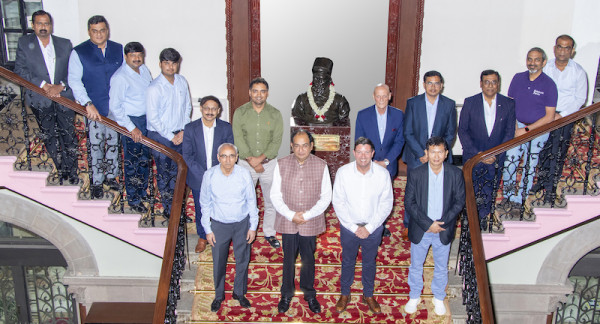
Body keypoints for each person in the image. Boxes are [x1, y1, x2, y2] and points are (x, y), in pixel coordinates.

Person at [270, 129, 332, 314]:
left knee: (308, 259)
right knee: (288, 259)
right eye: (297, 145)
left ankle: (309, 293)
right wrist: (291, 215)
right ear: (291, 146)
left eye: (305, 145)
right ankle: (286, 293)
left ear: (312, 147)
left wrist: (307, 215)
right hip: (288, 220)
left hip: (310, 221)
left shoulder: (321, 165)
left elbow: (326, 196)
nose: (301, 149)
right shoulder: (281, 164)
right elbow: (275, 195)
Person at [14, 10, 79, 185]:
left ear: (51, 25)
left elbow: (74, 72)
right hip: (40, 98)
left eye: (46, 23)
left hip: (63, 96)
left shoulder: (65, 44)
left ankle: (72, 171)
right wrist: (44, 85)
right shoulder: (24, 43)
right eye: (39, 24)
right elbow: (20, 71)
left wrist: (61, 85)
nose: (43, 27)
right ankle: (60, 169)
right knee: (50, 135)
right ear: (33, 25)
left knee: (69, 134)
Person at [404, 136, 465, 316]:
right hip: (421, 229)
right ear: (426, 153)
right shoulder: (416, 173)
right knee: (416, 265)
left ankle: (438, 297)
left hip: (443, 229)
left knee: (440, 265)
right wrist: (428, 224)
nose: (436, 156)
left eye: (440, 152)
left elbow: (459, 201)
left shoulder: (455, 174)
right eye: (432, 152)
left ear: (446, 154)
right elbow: (409, 202)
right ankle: (414, 295)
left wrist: (440, 224)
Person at [332, 137, 393, 314]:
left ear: (373, 153)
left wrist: (370, 227)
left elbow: (386, 203)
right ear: (354, 153)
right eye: (359, 151)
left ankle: (368, 294)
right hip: (349, 227)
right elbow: (338, 202)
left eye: (367, 152)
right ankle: (345, 293)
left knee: (369, 262)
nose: (363, 156)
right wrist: (353, 227)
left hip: (373, 229)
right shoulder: (343, 172)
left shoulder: (382, 174)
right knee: (348, 260)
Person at [69, 15, 123, 199]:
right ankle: (97, 181)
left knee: (113, 143)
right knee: (96, 144)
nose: (99, 34)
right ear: (89, 32)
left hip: (115, 107)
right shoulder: (79, 52)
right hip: (94, 107)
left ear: (107, 30)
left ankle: (110, 176)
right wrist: (87, 104)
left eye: (102, 30)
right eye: (95, 31)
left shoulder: (118, 49)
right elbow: (75, 82)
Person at [200, 143, 258, 312]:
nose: (228, 160)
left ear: (237, 157)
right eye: (224, 156)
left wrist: (252, 227)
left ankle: (239, 293)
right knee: (219, 261)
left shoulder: (244, 174)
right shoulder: (209, 175)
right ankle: (218, 295)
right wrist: (208, 229)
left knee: (242, 260)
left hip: (241, 224)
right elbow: (205, 204)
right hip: (219, 225)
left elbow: (251, 201)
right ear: (218, 158)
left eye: (231, 156)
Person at [502, 48, 558, 207]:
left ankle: (520, 199)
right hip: (517, 126)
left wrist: (525, 131)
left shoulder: (549, 85)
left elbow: (550, 116)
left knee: (529, 165)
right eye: (530, 59)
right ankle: (508, 195)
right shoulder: (518, 78)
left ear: (544, 62)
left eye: (537, 59)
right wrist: (514, 129)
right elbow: (510, 105)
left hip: (538, 131)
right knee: (509, 163)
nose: (532, 63)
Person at [535, 35, 588, 203]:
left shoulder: (578, 72)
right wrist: (547, 114)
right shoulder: (545, 67)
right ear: (554, 48)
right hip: (544, 115)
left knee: (558, 151)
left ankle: (551, 187)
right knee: (542, 150)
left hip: (565, 117)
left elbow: (580, 99)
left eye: (567, 48)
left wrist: (561, 115)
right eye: (560, 47)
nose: (562, 51)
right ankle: (541, 181)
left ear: (572, 51)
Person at [402, 70, 457, 235]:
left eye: (436, 83)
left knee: (438, 189)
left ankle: (437, 221)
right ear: (424, 84)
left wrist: (436, 154)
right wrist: (422, 153)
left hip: (439, 157)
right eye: (430, 83)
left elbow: (450, 133)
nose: (433, 87)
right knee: (413, 191)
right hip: (416, 155)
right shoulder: (413, 103)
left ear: (441, 85)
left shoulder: (449, 104)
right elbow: (408, 132)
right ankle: (408, 224)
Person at [232, 77, 283, 248]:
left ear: (267, 93)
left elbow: (276, 142)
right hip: (246, 164)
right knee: (245, 200)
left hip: (269, 164)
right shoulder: (240, 112)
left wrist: (260, 160)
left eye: (262, 91)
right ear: (249, 93)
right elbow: (238, 139)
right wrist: (252, 162)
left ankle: (269, 232)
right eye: (255, 91)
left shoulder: (275, 114)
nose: (259, 95)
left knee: (271, 200)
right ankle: (245, 231)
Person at [458, 70, 516, 221]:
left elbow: (509, 133)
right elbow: (463, 131)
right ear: (481, 84)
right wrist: (479, 154)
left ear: (498, 84)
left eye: (494, 82)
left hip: (496, 157)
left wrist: (495, 154)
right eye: (487, 82)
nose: (490, 85)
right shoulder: (470, 102)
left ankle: (483, 219)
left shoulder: (508, 104)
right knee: (471, 189)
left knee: (490, 189)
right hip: (473, 156)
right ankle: (470, 219)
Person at [183, 96, 234, 253]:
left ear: (219, 111)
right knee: (201, 208)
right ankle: (202, 236)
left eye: (213, 109)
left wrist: (219, 173)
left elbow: (229, 151)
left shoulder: (225, 128)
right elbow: (188, 155)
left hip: (221, 175)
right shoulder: (191, 128)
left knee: (221, 206)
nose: (210, 112)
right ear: (201, 109)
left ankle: (221, 235)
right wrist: (204, 175)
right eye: (207, 108)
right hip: (199, 177)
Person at [146, 48, 192, 219]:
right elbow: (153, 118)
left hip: (180, 133)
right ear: (160, 64)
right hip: (160, 136)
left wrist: (183, 131)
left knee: (180, 174)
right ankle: (169, 211)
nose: (170, 67)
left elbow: (188, 107)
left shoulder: (181, 81)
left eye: (174, 63)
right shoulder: (154, 88)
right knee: (165, 175)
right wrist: (172, 136)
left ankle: (179, 210)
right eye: (167, 63)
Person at [355, 83, 405, 237]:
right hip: (367, 163)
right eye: (378, 96)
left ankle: (380, 226)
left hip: (388, 165)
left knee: (383, 197)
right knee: (368, 195)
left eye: (385, 95)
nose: (381, 99)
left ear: (390, 96)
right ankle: (366, 224)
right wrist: (369, 161)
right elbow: (360, 140)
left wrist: (387, 162)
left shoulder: (398, 115)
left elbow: (400, 141)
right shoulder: (363, 115)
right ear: (373, 96)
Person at [109, 42, 152, 213]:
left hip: (146, 119)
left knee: (145, 158)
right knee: (133, 161)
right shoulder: (120, 77)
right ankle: (134, 199)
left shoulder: (144, 70)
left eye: (139, 54)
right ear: (126, 57)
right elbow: (115, 107)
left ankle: (142, 191)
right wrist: (131, 127)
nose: (136, 58)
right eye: (132, 55)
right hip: (131, 122)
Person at [291, 57, 350, 126]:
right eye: (315, 78)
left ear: (329, 80)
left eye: (322, 79)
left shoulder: (340, 101)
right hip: (307, 135)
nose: (317, 82)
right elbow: (297, 121)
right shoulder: (301, 100)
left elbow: (343, 124)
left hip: (333, 135)